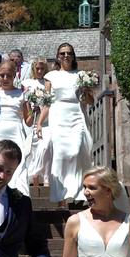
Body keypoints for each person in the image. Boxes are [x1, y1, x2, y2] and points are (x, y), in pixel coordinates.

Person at [39, 43, 93, 206]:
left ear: (73, 56)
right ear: (58, 56)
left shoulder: (82, 75)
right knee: (60, 155)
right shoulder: (51, 76)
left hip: (76, 113)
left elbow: (90, 100)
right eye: (62, 53)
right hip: (58, 115)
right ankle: (60, 197)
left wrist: (85, 92)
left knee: (76, 151)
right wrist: (39, 123)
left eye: (69, 53)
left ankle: (77, 193)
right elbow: (47, 103)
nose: (66, 56)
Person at [0, 60, 34, 192]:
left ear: (14, 76)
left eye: (9, 75)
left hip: (16, 132)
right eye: (2, 75)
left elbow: (29, 121)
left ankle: (19, 195)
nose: (5, 78)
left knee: (18, 164)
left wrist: (35, 108)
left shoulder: (22, 94)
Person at [20, 56, 53, 187]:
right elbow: (24, 103)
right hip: (31, 118)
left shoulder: (48, 83)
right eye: (37, 68)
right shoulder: (27, 83)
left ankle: (46, 178)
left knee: (45, 147)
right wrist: (31, 109)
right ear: (33, 68)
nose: (39, 71)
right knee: (32, 151)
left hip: (45, 120)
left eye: (42, 68)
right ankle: (34, 180)